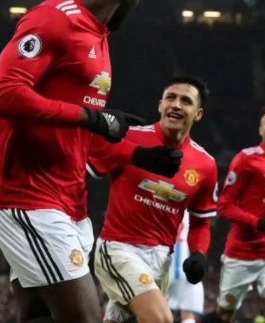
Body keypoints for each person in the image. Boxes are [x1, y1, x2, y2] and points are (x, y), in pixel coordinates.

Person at [0, 0, 182, 323]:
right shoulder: (53, 19)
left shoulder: (98, 37)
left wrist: (136, 155)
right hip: (27, 195)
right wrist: (92, 117)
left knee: (38, 316)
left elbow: (78, 132)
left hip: (69, 200)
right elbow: (1, 94)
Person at [86, 76, 218, 323]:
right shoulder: (129, 136)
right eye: (171, 98)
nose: (176, 105)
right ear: (160, 105)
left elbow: (201, 221)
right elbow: (86, 165)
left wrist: (199, 254)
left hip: (161, 259)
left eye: (185, 101)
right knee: (161, 319)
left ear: (198, 114)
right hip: (118, 249)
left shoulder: (206, 165)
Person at [202, 104, 265, 323]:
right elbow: (225, 205)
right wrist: (260, 223)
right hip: (242, 251)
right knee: (224, 315)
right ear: (260, 130)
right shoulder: (246, 159)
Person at [166, 210, 205, 323]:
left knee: (156, 312)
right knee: (188, 314)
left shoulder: (163, 208)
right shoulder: (193, 213)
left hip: (164, 268)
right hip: (187, 269)